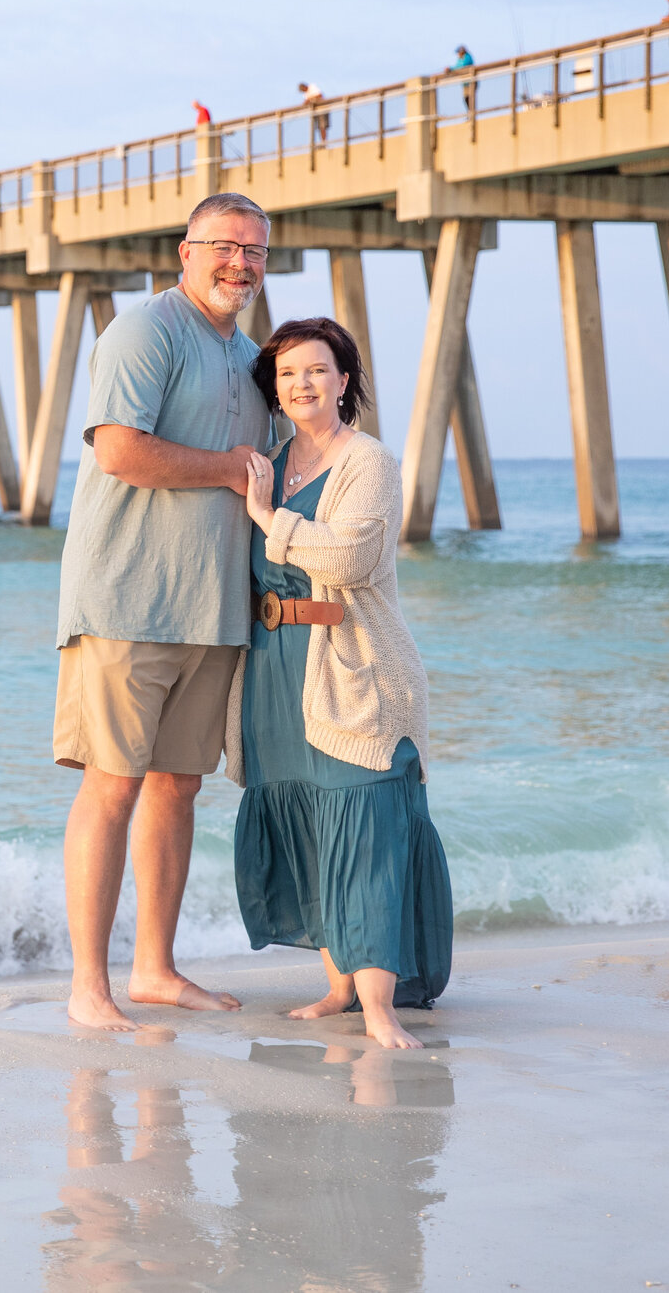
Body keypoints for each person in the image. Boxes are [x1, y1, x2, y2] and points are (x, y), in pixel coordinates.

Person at [54, 192, 276, 1030]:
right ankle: (88, 985)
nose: (240, 264)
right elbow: (120, 449)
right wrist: (226, 468)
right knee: (111, 787)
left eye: (255, 251)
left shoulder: (253, 358)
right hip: (124, 598)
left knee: (177, 787)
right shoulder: (143, 331)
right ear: (185, 250)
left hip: (213, 606)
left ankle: (154, 968)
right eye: (224, 246)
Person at [232, 315, 452, 1049]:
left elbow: (350, 559)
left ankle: (380, 1004)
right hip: (275, 668)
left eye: (318, 369)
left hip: (351, 663)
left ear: (344, 380)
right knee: (314, 827)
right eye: (289, 371)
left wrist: (269, 518)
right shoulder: (270, 460)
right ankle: (337, 987)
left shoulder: (368, 462)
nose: (302, 382)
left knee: (366, 824)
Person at [449, 47, 474, 116]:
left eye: (459, 52)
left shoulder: (467, 57)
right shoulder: (460, 59)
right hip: (465, 83)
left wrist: (451, 68)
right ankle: (470, 114)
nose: (458, 54)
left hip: (471, 82)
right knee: (466, 99)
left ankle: (472, 115)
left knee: (470, 99)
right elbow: (457, 66)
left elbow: (461, 66)